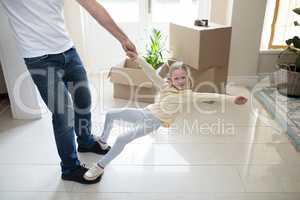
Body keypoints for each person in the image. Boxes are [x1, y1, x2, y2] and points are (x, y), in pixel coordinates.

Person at [0, 0, 137, 184]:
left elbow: (94, 7)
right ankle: (70, 167)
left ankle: (85, 141)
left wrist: (123, 38)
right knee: (63, 114)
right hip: (39, 58)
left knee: (83, 98)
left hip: (67, 50)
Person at [83, 55, 248, 181]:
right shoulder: (164, 86)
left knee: (122, 138)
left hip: (153, 122)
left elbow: (210, 95)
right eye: (177, 78)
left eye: (183, 77)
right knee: (111, 114)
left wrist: (232, 99)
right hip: (145, 112)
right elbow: (149, 72)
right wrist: (137, 57)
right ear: (171, 79)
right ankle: (103, 141)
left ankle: (100, 166)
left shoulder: (188, 95)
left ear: (187, 78)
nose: (181, 81)